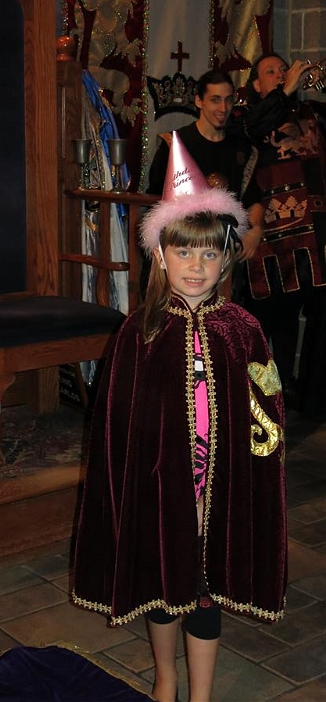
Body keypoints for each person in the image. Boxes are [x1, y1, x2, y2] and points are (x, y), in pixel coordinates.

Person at [73, 133, 287, 702]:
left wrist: (250, 477)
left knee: (204, 592)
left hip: (221, 490)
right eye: (184, 253)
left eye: (209, 254)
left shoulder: (243, 331)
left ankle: (201, 695)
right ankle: (165, 677)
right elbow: (116, 426)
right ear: (160, 255)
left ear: (226, 258)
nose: (196, 266)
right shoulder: (139, 333)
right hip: (159, 486)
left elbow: (267, 414)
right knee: (164, 585)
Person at [242, 52, 326, 414]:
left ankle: (305, 394)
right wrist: (285, 91)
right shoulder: (249, 116)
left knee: (312, 313)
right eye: (270, 71)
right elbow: (256, 128)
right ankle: (266, 395)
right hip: (269, 236)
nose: (280, 74)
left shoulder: (308, 113)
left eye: (283, 69)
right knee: (272, 317)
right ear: (256, 84)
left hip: (313, 233)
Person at [147, 70, 264, 261]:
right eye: (215, 100)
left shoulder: (242, 148)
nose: (223, 108)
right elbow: (155, 200)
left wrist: (255, 231)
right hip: (186, 249)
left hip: (229, 251)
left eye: (228, 100)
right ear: (199, 101)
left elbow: (253, 200)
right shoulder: (176, 144)